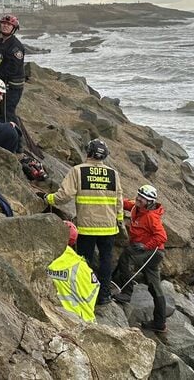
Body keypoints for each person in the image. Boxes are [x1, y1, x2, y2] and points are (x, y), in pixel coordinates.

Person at [44, 138, 123, 306]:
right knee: (105, 261)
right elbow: (119, 200)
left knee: (83, 261)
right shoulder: (113, 174)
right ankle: (104, 296)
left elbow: (64, 196)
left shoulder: (78, 171)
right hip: (109, 227)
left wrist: (49, 198)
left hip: (87, 227)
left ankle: (84, 292)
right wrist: (120, 221)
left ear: (88, 152)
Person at [112, 184, 168, 333]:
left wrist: (145, 246)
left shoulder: (151, 217)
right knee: (154, 286)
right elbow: (125, 203)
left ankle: (127, 292)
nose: (138, 199)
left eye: (142, 198)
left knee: (126, 256)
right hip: (148, 251)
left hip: (153, 252)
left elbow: (162, 236)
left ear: (149, 202)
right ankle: (160, 323)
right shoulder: (136, 208)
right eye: (138, 196)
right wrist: (111, 196)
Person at [47, 220, 100, 322]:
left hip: (52, 314)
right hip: (78, 318)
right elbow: (93, 289)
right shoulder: (80, 267)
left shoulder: (42, 259)